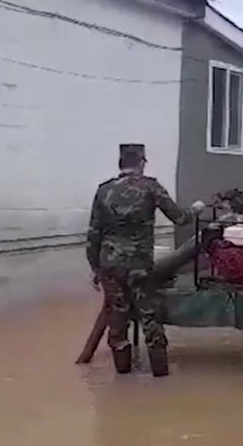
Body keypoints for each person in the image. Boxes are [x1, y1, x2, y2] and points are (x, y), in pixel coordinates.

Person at [85, 144, 205, 377]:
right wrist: (196, 209)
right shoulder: (151, 187)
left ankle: (123, 376)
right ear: (141, 163)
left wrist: (95, 268)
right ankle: (160, 376)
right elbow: (180, 218)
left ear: (121, 163)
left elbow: (93, 234)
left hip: (110, 265)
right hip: (139, 266)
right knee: (150, 318)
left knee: (118, 321)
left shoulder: (104, 190)